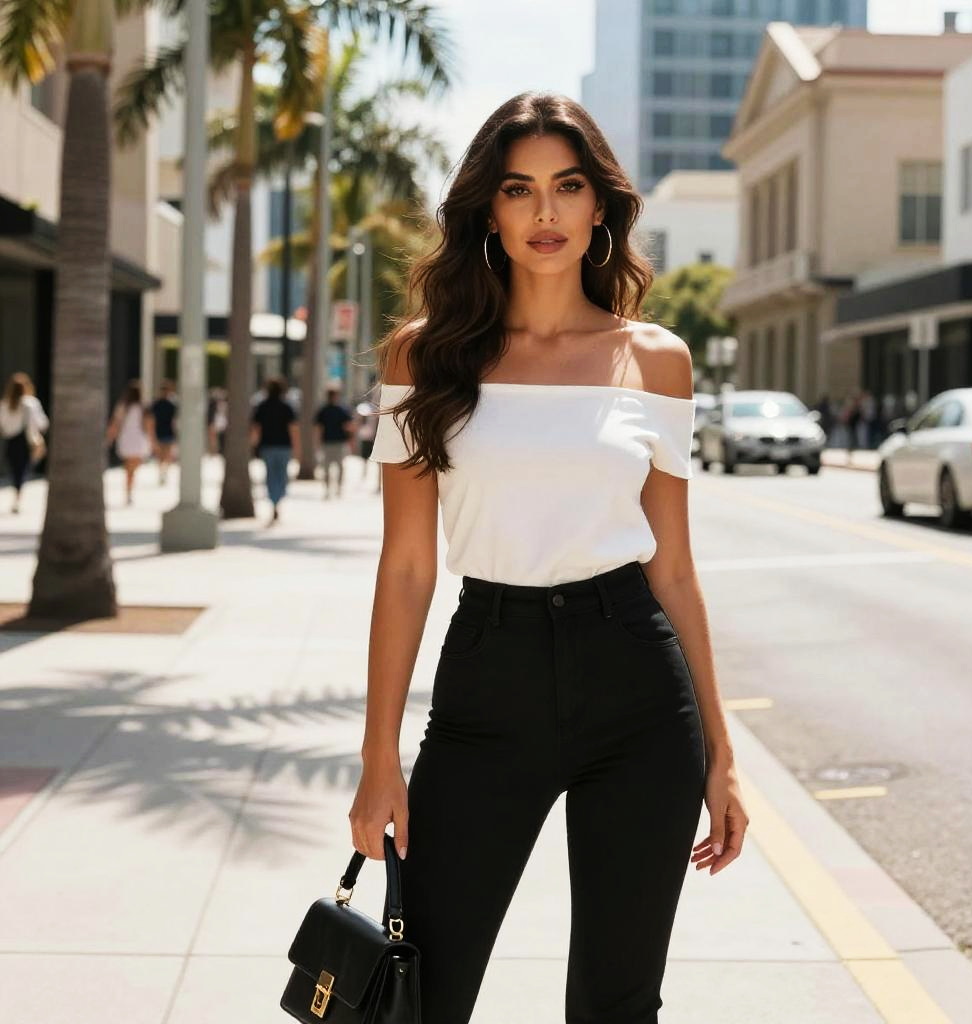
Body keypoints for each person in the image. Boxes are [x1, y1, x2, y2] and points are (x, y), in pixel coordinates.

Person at [348, 93, 748, 1024]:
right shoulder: (424, 358)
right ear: (486, 209)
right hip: (489, 678)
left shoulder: (655, 359)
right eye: (518, 189)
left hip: (638, 686)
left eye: (567, 187)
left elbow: (674, 569)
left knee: (617, 1004)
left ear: (600, 206)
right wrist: (378, 756)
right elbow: (406, 569)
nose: (545, 212)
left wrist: (722, 753)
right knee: (422, 992)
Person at [249, 375, 299, 525]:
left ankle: (274, 500)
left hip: (268, 446)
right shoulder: (287, 407)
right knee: (282, 475)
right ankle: (277, 500)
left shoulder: (262, 406)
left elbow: (256, 429)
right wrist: (297, 448)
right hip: (284, 446)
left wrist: (253, 445)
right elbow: (293, 429)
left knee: (270, 475)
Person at [1, 372, 49, 514]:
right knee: (22, 469)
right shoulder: (30, 403)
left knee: (15, 469)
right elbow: (42, 423)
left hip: (11, 441)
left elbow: (3, 425)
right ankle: (18, 497)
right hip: (24, 441)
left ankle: (17, 496)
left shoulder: (4, 404)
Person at [105, 379, 150, 506]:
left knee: (129, 468)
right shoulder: (141, 407)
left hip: (127, 439)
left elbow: (114, 424)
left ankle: (128, 490)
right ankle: (129, 490)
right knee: (132, 468)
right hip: (138, 440)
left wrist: (110, 438)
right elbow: (148, 426)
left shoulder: (125, 406)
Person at [313, 384, 354, 499]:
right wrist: (351, 441)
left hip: (329, 442)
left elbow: (318, 429)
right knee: (338, 467)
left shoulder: (324, 410)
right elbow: (349, 426)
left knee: (328, 467)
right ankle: (337, 488)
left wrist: (317, 442)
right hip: (337, 442)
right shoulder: (341, 410)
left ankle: (329, 489)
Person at [149, 379, 178, 484]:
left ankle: (164, 472)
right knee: (160, 455)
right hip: (159, 432)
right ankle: (161, 473)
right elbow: (151, 420)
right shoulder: (156, 404)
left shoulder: (172, 405)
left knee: (167, 454)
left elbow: (174, 421)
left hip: (168, 432)